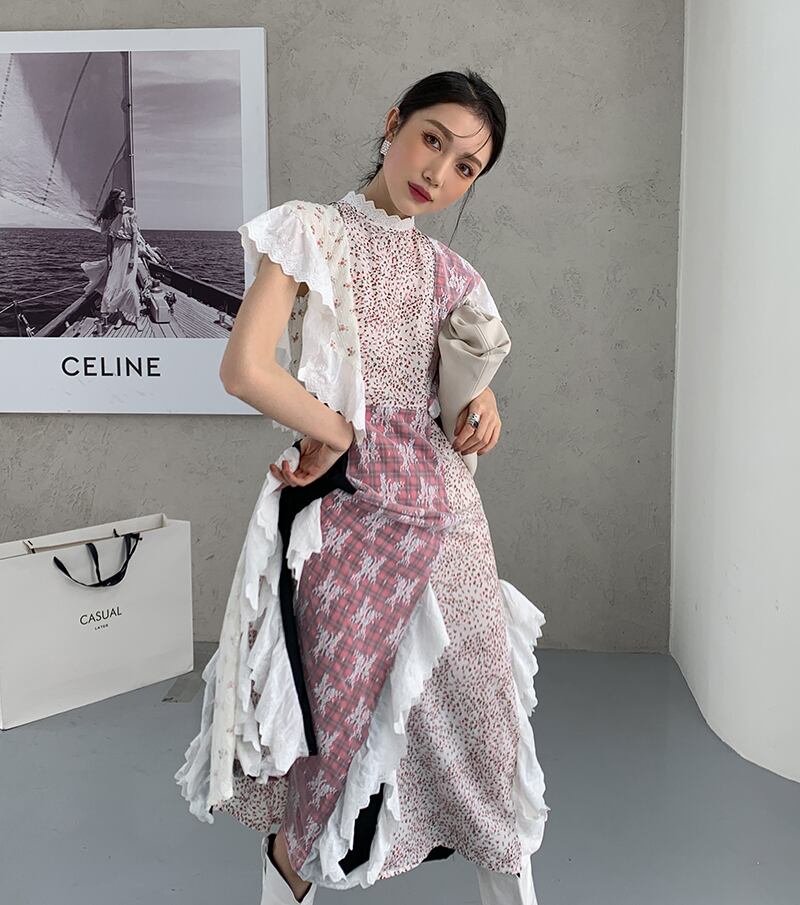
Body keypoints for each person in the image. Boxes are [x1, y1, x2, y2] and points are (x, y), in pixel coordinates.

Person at [175, 69, 549, 905]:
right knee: (331, 730)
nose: (438, 172)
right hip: (345, 517)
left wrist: (483, 404)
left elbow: (460, 383)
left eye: (465, 167)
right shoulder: (309, 231)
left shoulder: (449, 272)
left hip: (447, 519)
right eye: (432, 139)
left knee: (485, 727)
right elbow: (245, 368)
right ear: (394, 123)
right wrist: (341, 432)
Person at [93, 188, 146, 333]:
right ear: (115, 200)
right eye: (122, 198)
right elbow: (109, 240)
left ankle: (137, 318)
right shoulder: (110, 215)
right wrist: (109, 257)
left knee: (129, 285)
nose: (125, 200)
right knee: (114, 284)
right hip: (116, 250)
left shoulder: (131, 213)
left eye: (125, 197)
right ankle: (120, 316)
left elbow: (134, 237)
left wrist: (132, 257)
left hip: (129, 248)